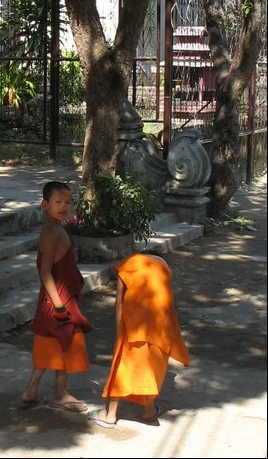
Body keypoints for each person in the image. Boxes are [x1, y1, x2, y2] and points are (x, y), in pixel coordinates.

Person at [88, 252, 190, 428]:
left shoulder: (128, 264)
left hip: (137, 323)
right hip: (162, 321)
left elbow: (120, 302)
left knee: (123, 364)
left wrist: (120, 331)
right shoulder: (163, 264)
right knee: (154, 365)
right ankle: (149, 410)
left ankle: (110, 414)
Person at [21, 180, 92, 411]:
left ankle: (32, 391)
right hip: (57, 299)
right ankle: (60, 393)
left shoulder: (59, 228)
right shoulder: (51, 232)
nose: (63, 207)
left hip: (61, 297)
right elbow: (45, 271)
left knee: (53, 344)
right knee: (61, 342)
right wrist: (59, 304)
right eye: (58, 202)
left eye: (68, 202)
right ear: (45, 204)